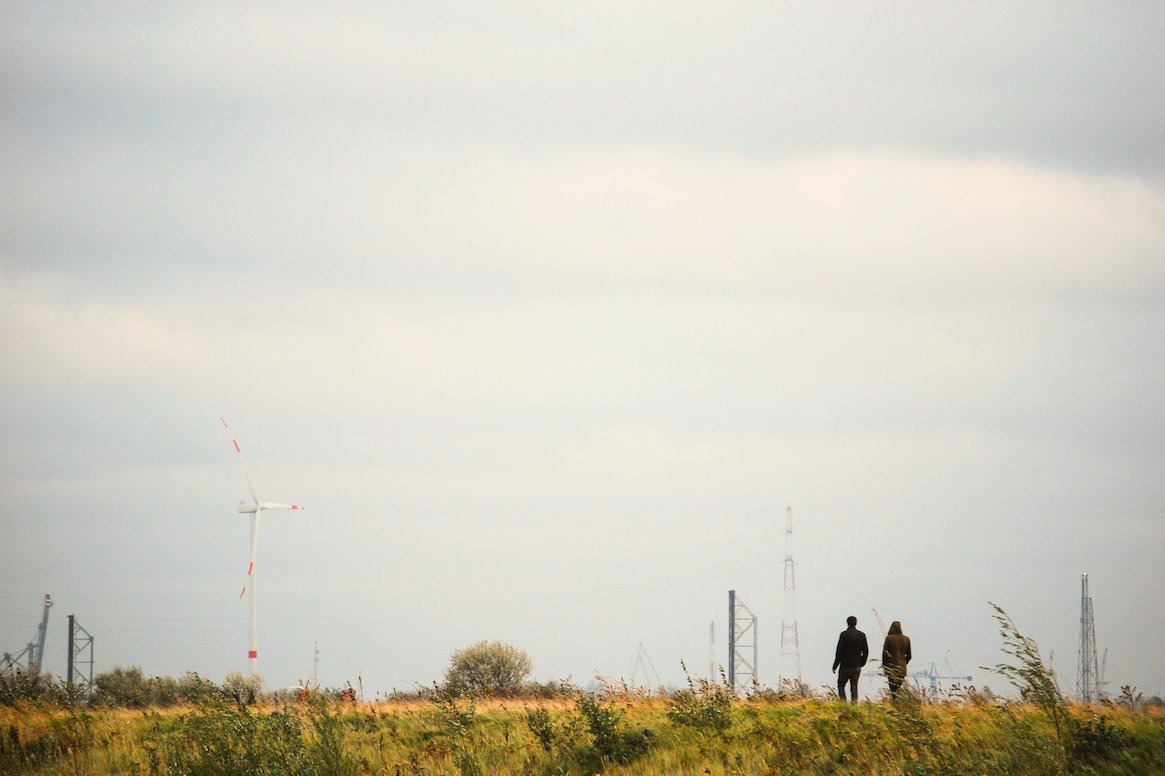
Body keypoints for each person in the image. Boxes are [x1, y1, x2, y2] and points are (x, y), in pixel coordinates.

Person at [832, 615, 869, 702]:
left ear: (847, 623)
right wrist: (862, 663)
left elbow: (839, 652)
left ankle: (843, 703)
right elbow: (866, 651)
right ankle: (854, 705)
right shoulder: (862, 635)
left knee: (841, 685)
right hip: (857, 666)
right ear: (856, 623)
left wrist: (835, 666)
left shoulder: (844, 635)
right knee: (854, 686)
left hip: (845, 665)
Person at [881, 620, 912, 699]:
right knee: (898, 688)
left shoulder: (889, 638)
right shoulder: (906, 639)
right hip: (902, 668)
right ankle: (898, 703)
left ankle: (894, 703)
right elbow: (909, 655)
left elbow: (885, 654)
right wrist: (904, 663)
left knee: (892, 689)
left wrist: (885, 666)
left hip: (891, 667)